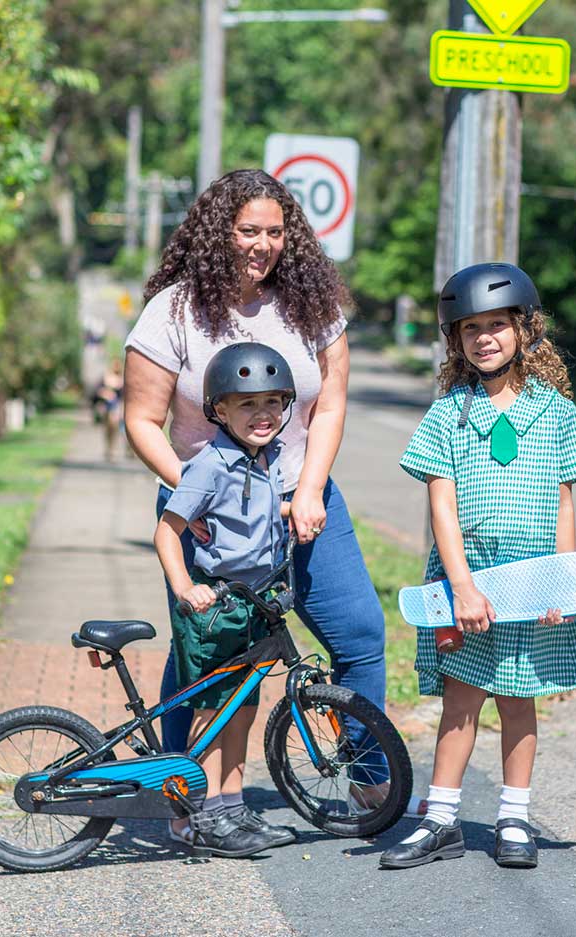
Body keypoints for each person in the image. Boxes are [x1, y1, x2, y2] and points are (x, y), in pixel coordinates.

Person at [122, 168, 397, 822]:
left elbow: (329, 402)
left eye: (276, 231)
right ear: (219, 232)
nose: (264, 244)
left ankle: (368, 772)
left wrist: (309, 489)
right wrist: (194, 496)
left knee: (359, 633)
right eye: (250, 230)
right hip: (208, 512)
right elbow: (140, 419)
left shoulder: (309, 304)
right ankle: (187, 789)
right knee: (208, 654)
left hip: (302, 502)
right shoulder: (176, 311)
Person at [380, 262, 576, 872]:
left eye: (497, 325)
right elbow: (441, 505)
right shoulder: (450, 412)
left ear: (524, 329)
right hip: (469, 582)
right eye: (470, 328)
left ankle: (514, 817)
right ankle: (441, 820)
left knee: (519, 700)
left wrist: (563, 582)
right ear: (455, 339)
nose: (484, 337)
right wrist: (462, 586)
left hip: (533, 584)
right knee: (461, 700)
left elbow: (563, 500)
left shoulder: (555, 411)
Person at [154, 342, 299, 856]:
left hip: (256, 604)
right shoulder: (210, 465)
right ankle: (202, 811)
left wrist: (288, 512)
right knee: (211, 711)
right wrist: (183, 587)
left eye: (272, 403)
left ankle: (232, 807)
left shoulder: (268, 458)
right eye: (246, 404)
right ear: (218, 410)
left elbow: (251, 515)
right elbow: (167, 532)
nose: (262, 415)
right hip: (214, 608)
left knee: (242, 708)